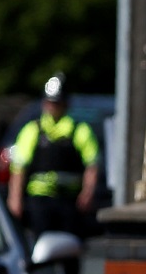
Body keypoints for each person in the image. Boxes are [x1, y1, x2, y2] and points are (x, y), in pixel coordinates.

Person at [7, 72, 101, 242]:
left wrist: (87, 192)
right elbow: (19, 167)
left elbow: (92, 164)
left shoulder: (79, 130)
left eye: (56, 103)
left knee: (70, 248)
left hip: (69, 202)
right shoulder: (33, 130)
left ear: (65, 103)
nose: (52, 107)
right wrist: (15, 197)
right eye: (50, 102)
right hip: (40, 201)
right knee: (40, 248)